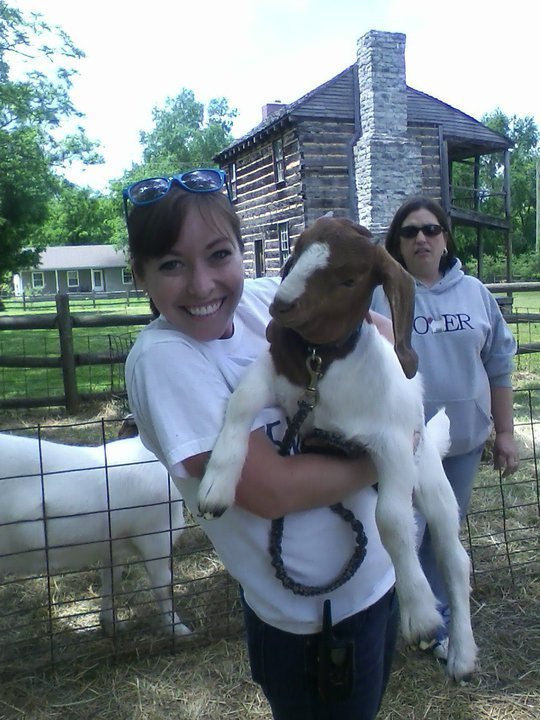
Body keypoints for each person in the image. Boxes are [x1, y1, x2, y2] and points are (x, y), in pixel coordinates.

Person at [123, 168, 399, 720]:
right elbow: (269, 490)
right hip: (311, 625)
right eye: (172, 265)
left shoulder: (260, 301)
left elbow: (377, 330)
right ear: (140, 275)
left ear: (241, 251)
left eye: (219, 255)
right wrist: (391, 451)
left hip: (376, 582)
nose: (203, 285)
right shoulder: (165, 360)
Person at [371, 195, 518, 661]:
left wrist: (505, 432)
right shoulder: (381, 295)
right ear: (397, 242)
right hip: (399, 446)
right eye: (410, 231)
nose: (422, 238)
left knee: (442, 533)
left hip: (463, 444)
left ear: (445, 238)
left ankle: (437, 624)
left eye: (431, 229)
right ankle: (387, 624)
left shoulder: (474, 292)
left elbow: (499, 362)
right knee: (398, 535)